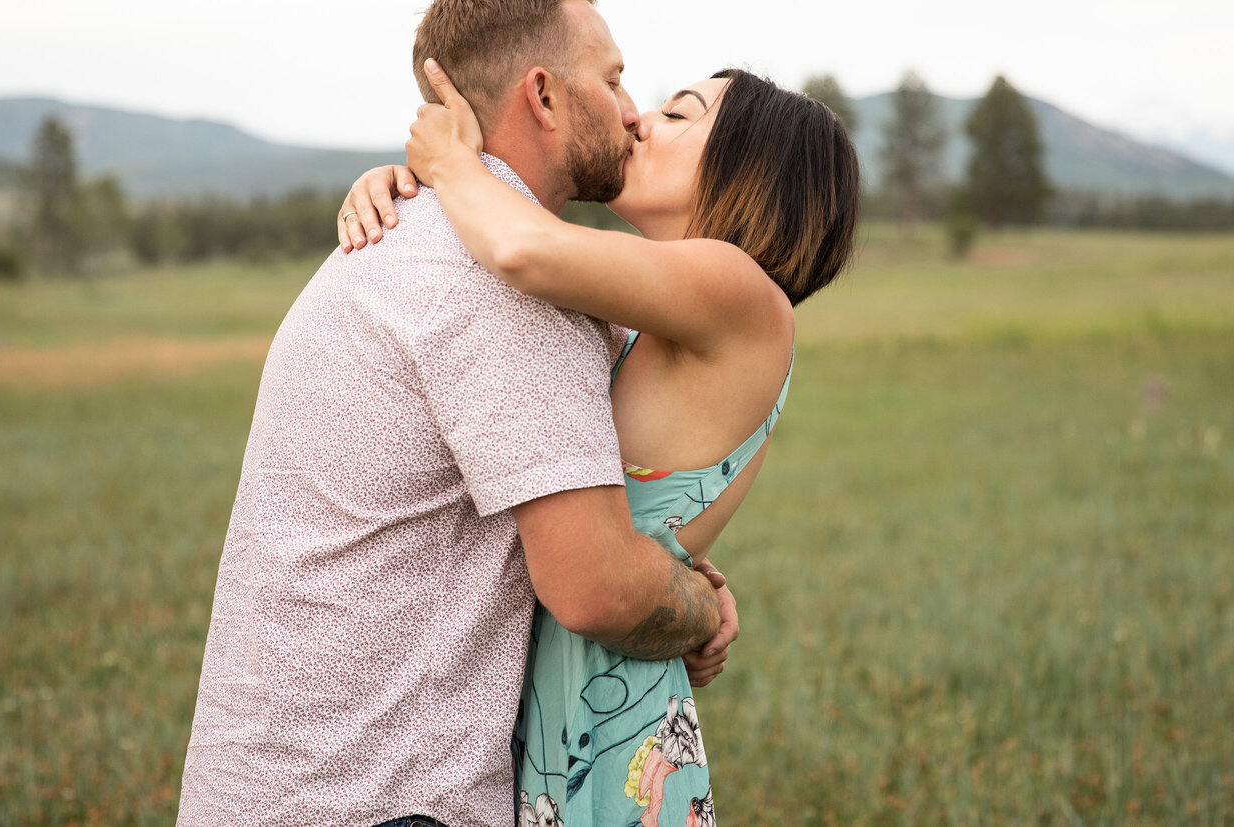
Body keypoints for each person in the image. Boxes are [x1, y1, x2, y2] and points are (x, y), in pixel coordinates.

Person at [177, 0, 735, 827]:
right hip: (375, 803)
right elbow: (594, 588)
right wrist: (696, 607)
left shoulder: (424, 236)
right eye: (616, 79)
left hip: (276, 791)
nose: (633, 111)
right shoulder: (504, 287)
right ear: (543, 96)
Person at [339, 54, 859, 825]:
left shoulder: (743, 290)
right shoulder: (650, 324)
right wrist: (408, 194)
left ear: (754, 171)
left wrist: (449, 162)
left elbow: (523, 249)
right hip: (567, 700)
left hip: (606, 733)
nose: (639, 118)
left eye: (680, 114)